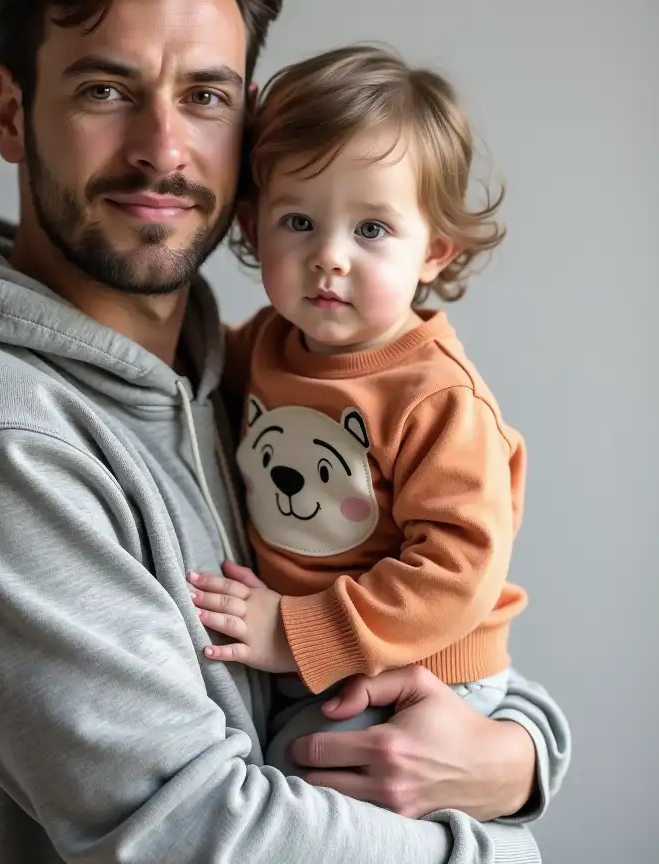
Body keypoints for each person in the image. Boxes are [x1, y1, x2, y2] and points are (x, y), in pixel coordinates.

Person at [0, 0, 570, 864]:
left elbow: (446, 612)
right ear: (12, 112)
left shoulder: (239, 372)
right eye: (106, 90)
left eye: (205, 96)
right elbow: (192, 831)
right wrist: (500, 852)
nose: (162, 148)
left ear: (251, 130)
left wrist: (519, 756)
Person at [188, 44, 528, 774]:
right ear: (253, 228)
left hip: (427, 668)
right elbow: (189, 359)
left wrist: (301, 632)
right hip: (318, 655)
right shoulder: (270, 346)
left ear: (434, 249)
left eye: (371, 229)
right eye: (299, 222)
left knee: (303, 783)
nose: (329, 257)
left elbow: (455, 572)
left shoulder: (436, 398)